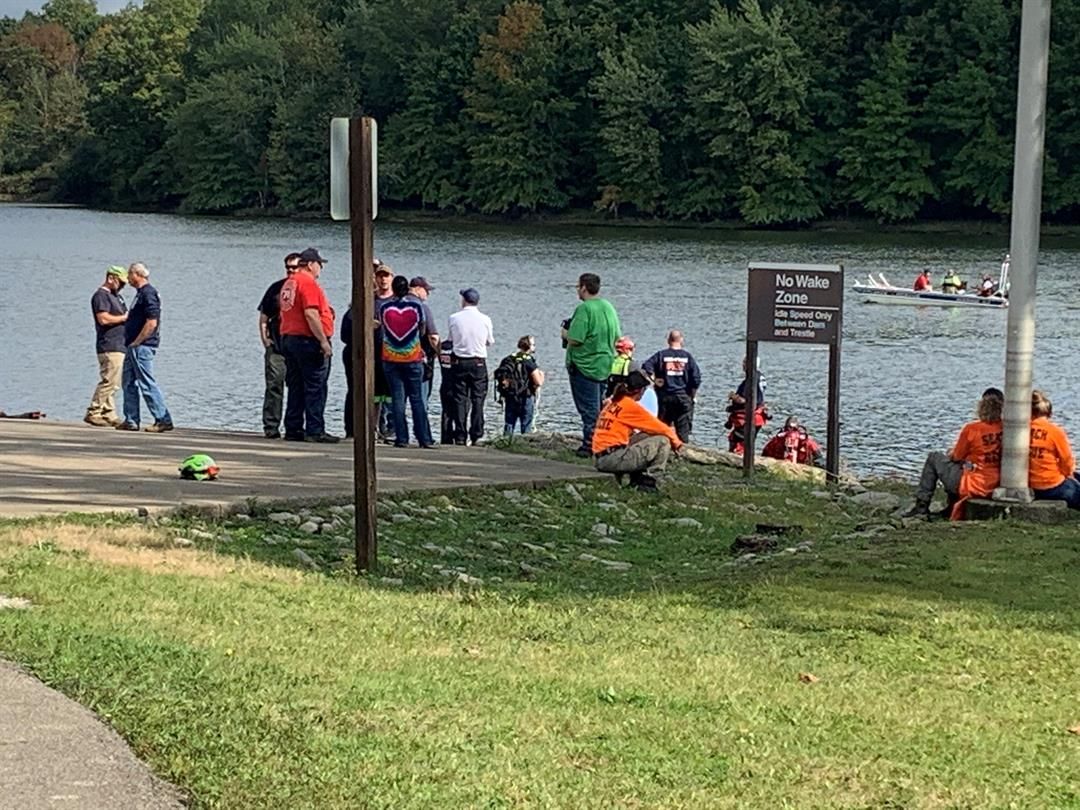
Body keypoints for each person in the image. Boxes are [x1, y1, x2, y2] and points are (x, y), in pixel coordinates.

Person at [903, 387, 1004, 519]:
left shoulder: (972, 429)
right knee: (962, 465)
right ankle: (950, 507)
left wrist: (951, 453)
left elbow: (957, 456)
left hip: (973, 484)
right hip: (996, 483)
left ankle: (921, 506)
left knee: (935, 458)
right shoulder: (1007, 428)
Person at [279, 247, 338, 443]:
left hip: (289, 338)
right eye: (319, 264)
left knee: (296, 386)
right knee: (316, 386)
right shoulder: (308, 283)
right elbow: (311, 314)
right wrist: (323, 340)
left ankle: (293, 427)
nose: (320, 269)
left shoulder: (289, 283)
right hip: (308, 340)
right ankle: (315, 429)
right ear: (312, 264)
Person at [592, 370, 683, 492]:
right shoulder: (629, 406)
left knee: (648, 434)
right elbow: (660, 427)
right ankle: (650, 480)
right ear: (640, 391)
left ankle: (636, 477)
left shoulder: (614, 402)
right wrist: (678, 444)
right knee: (663, 440)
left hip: (601, 456)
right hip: (611, 459)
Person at [564, 272, 621, 457]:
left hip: (584, 366)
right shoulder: (608, 307)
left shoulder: (585, 309)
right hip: (605, 364)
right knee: (601, 407)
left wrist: (564, 333)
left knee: (589, 409)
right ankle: (604, 441)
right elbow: (617, 337)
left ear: (583, 287)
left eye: (577, 286)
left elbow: (575, 339)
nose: (577, 290)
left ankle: (590, 445)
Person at [378, 275, 435, 448]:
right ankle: (424, 438)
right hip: (412, 356)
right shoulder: (417, 306)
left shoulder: (385, 308)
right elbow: (423, 329)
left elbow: (383, 327)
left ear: (394, 289)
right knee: (417, 399)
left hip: (390, 357)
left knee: (397, 399)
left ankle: (401, 438)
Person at [116, 262, 173, 432]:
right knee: (128, 382)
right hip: (132, 346)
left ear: (137, 274)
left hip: (142, 346)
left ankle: (163, 419)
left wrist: (138, 341)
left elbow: (152, 321)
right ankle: (131, 419)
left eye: (130, 274)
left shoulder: (148, 293)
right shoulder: (140, 294)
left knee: (146, 382)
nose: (128, 278)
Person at [342, 259, 394, 439]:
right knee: (357, 390)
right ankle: (353, 429)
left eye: (385, 276)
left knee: (384, 395)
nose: (382, 280)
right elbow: (345, 331)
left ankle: (383, 429)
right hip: (361, 354)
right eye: (379, 276)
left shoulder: (396, 302)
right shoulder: (363, 302)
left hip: (387, 356)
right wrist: (366, 326)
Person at [257, 252, 301, 439]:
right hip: (276, 345)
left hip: (297, 346)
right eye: (288, 267)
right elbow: (264, 317)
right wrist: (265, 340)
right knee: (274, 385)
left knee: (298, 387)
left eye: (294, 267)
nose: (291, 271)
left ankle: (295, 427)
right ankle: (271, 425)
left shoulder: (306, 288)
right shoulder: (276, 289)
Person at [448, 287, 494, 445]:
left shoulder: (454, 318)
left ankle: (460, 435)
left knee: (460, 399)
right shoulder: (485, 319)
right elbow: (490, 341)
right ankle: (476, 433)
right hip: (478, 362)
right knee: (478, 399)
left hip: (459, 361)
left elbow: (451, 339)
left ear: (464, 300)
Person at [84, 265, 128, 427]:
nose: (122, 286)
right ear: (111, 278)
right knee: (110, 380)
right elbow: (103, 319)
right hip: (109, 344)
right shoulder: (101, 296)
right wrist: (124, 318)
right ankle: (93, 411)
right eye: (120, 283)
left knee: (114, 380)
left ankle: (109, 413)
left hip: (119, 343)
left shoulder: (116, 297)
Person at [641, 330, 702, 443]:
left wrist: (654, 380)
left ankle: (661, 450)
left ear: (668, 341)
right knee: (683, 429)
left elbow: (646, 367)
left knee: (663, 428)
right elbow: (696, 379)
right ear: (681, 340)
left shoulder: (661, 355)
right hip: (683, 397)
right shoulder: (687, 357)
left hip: (665, 397)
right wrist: (692, 396)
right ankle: (682, 451)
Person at [1028, 389, 1080, 508]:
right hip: (1050, 485)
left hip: (1029, 484)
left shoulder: (1019, 430)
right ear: (1049, 414)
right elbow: (1066, 461)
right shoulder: (1055, 432)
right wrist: (1067, 475)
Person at [496, 335, 544, 436]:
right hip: (526, 396)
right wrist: (542, 375)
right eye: (533, 345)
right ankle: (524, 446)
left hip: (510, 396)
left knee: (509, 423)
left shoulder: (508, 359)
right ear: (529, 346)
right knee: (526, 425)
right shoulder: (529, 361)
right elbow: (538, 382)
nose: (534, 347)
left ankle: (505, 444)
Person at [725, 358, 768, 453]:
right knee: (747, 441)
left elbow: (745, 400)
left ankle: (739, 460)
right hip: (757, 415)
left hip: (748, 417)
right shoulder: (760, 377)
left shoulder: (751, 379)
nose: (742, 364)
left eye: (745, 362)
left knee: (738, 441)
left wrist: (733, 397)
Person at [408, 276, 440, 400]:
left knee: (398, 399)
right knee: (420, 399)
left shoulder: (396, 303)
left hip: (396, 358)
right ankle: (421, 419)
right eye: (426, 290)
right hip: (419, 358)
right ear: (417, 289)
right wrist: (438, 352)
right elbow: (433, 337)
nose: (428, 293)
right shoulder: (422, 307)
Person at [437, 338, 457, 444]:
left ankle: (445, 437)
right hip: (457, 384)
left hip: (445, 382)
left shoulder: (442, 346)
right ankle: (459, 435)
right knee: (460, 411)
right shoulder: (459, 347)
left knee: (446, 412)